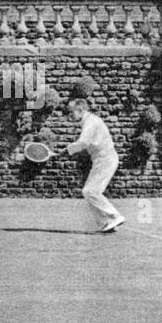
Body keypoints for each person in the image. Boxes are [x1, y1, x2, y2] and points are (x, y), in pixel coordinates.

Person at [65, 97, 125, 233]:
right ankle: (105, 223)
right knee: (90, 191)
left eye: (71, 111)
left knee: (89, 191)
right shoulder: (89, 121)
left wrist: (67, 150)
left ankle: (114, 215)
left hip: (106, 159)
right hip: (101, 160)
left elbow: (83, 142)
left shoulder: (90, 122)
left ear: (80, 110)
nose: (70, 115)